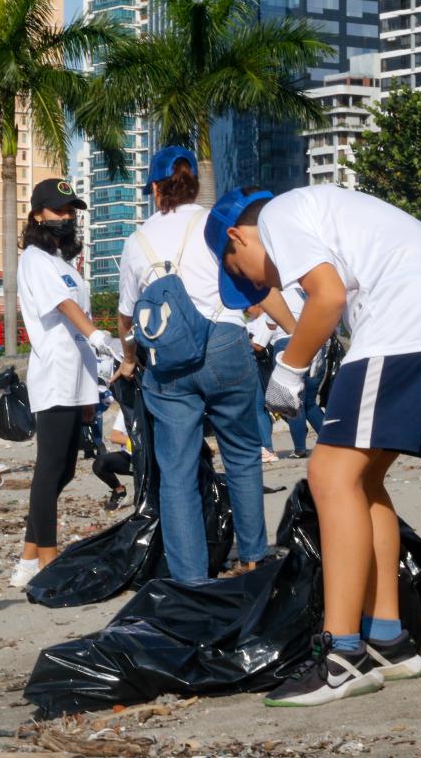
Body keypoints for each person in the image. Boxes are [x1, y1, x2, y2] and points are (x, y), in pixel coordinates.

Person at [211, 183, 421, 707]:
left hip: (407, 325)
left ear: (239, 236)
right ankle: (389, 640)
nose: (262, 285)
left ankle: (340, 656)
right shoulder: (322, 214)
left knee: (328, 475)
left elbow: (327, 298)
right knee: (363, 480)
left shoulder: (279, 216)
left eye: (242, 271)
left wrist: (288, 369)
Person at [115, 147, 286, 586]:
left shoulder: (137, 242)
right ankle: (252, 557)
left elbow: (128, 316)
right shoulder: (215, 223)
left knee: (177, 473)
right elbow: (253, 283)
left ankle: (191, 580)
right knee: (243, 454)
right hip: (226, 342)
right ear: (193, 184)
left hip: (169, 363)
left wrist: (130, 360)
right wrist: (299, 330)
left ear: (155, 188)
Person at [10, 177, 115, 589]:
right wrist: (97, 336)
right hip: (53, 375)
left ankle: (27, 557)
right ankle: (48, 563)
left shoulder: (65, 264)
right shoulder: (34, 259)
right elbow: (64, 307)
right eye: (59, 209)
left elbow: (76, 309)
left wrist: (91, 389)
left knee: (66, 469)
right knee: (49, 469)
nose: (66, 217)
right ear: (38, 215)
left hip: (78, 378)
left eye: (71, 210)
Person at [268, 288, 327, 458]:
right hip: (314, 342)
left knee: (292, 403)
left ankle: (300, 448)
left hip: (286, 343)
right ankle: (331, 444)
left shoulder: (276, 295)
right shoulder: (306, 293)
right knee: (310, 403)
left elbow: (270, 324)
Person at [245, 306, 278, 463]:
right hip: (258, 364)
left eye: (247, 306)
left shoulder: (266, 318)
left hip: (263, 364)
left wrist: (246, 339)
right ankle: (267, 447)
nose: (246, 310)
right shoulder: (253, 320)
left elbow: (259, 345)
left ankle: (267, 448)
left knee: (261, 407)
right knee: (261, 407)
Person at [92, 409, 132, 510]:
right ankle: (119, 491)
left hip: (155, 459)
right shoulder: (127, 409)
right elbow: (114, 437)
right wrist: (134, 441)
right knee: (100, 464)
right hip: (132, 459)